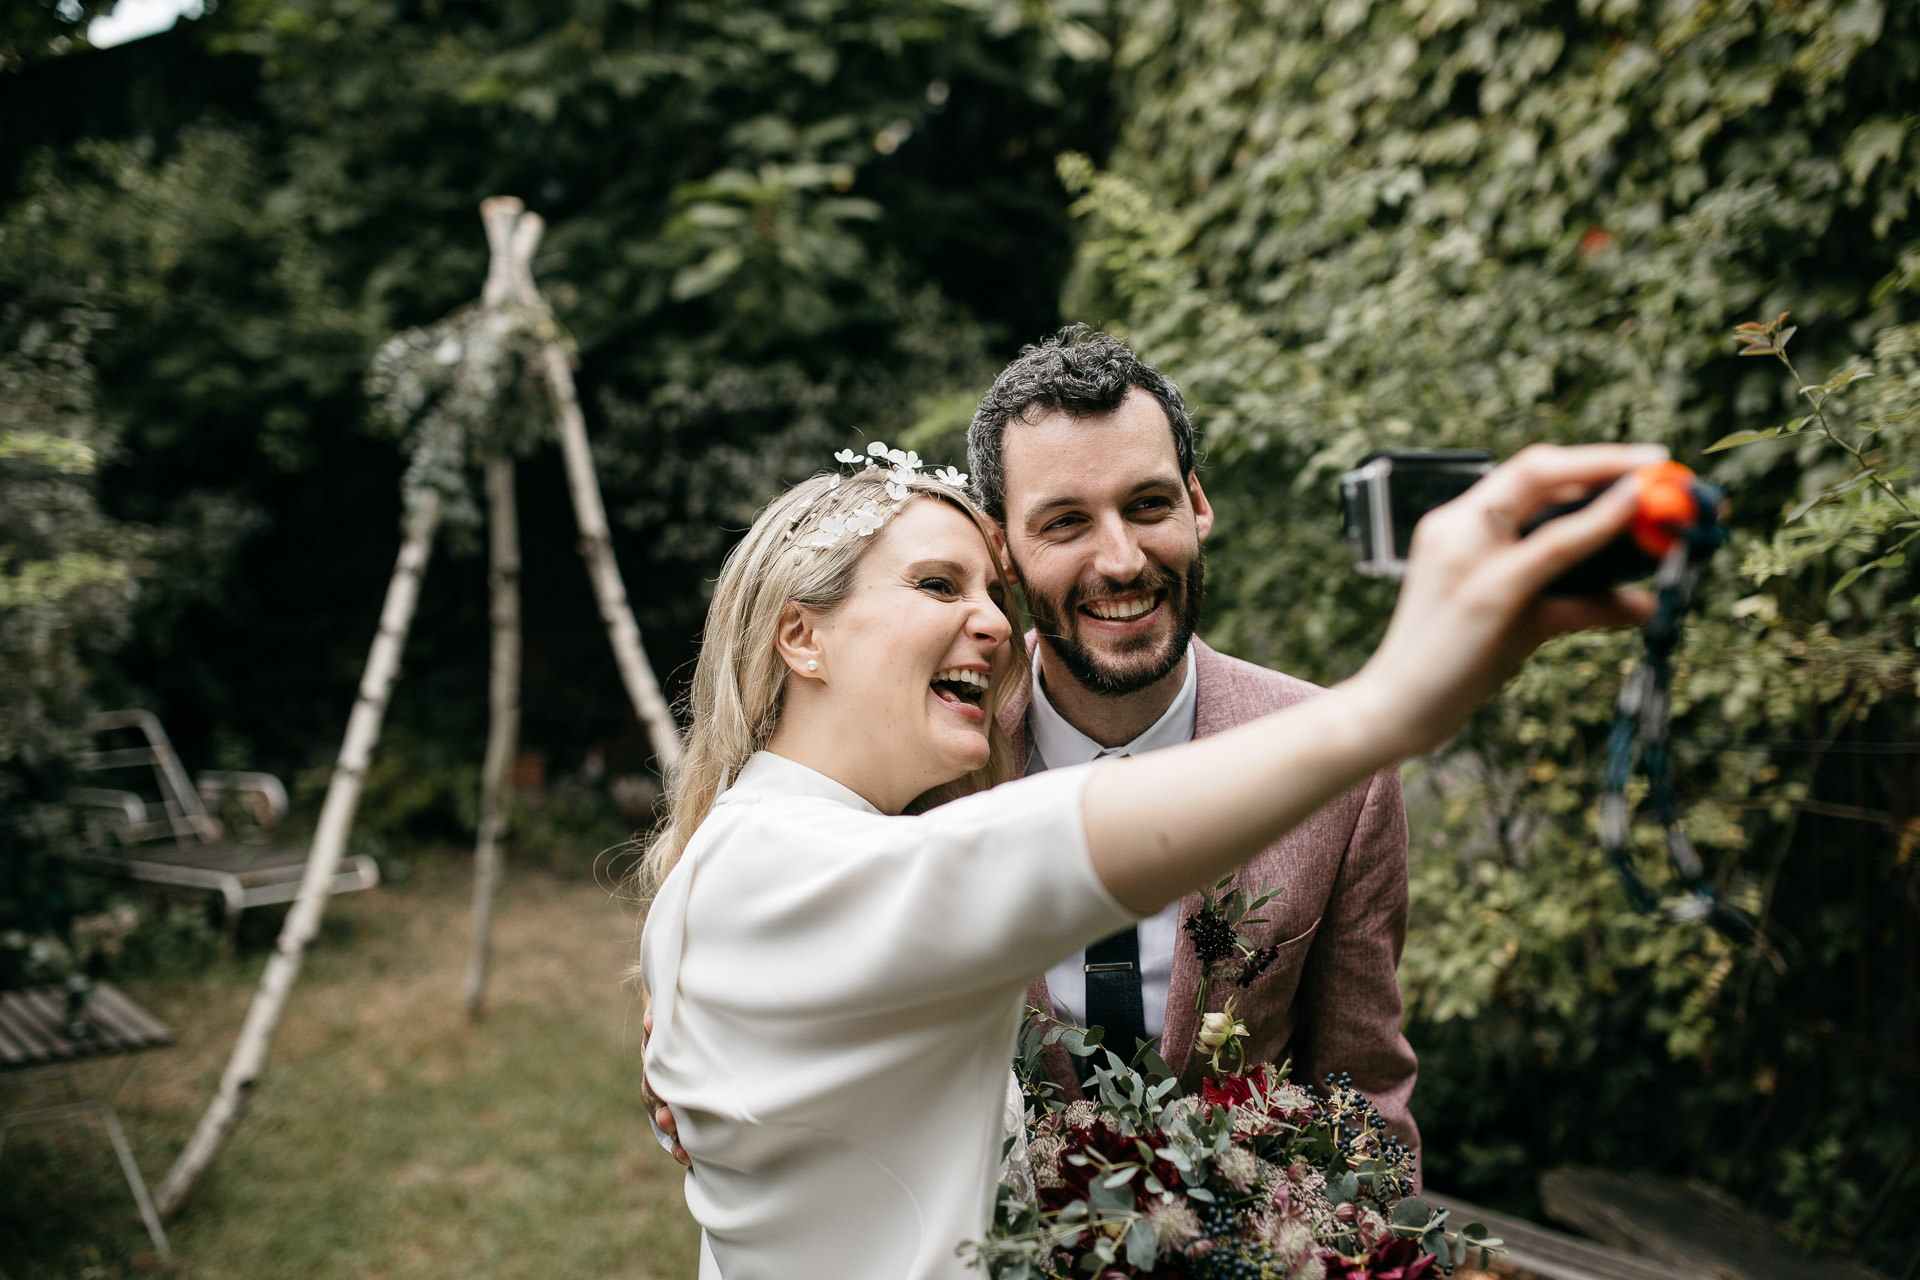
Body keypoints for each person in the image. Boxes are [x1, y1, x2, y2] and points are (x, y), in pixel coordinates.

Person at [638, 441, 1663, 1279]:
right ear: (800, 638)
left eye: (989, 589)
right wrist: (1390, 702)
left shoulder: (794, 846)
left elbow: (1360, 1092)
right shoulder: (773, 867)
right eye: (938, 583)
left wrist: (1357, 1239)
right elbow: (1026, 853)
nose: (996, 623)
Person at [966, 329, 1419, 1165]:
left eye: (1148, 505)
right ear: (1001, 550)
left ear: (1197, 505)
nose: (1122, 559)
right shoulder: (936, 763)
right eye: (1065, 522)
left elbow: (1362, 1099)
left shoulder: (1339, 774)